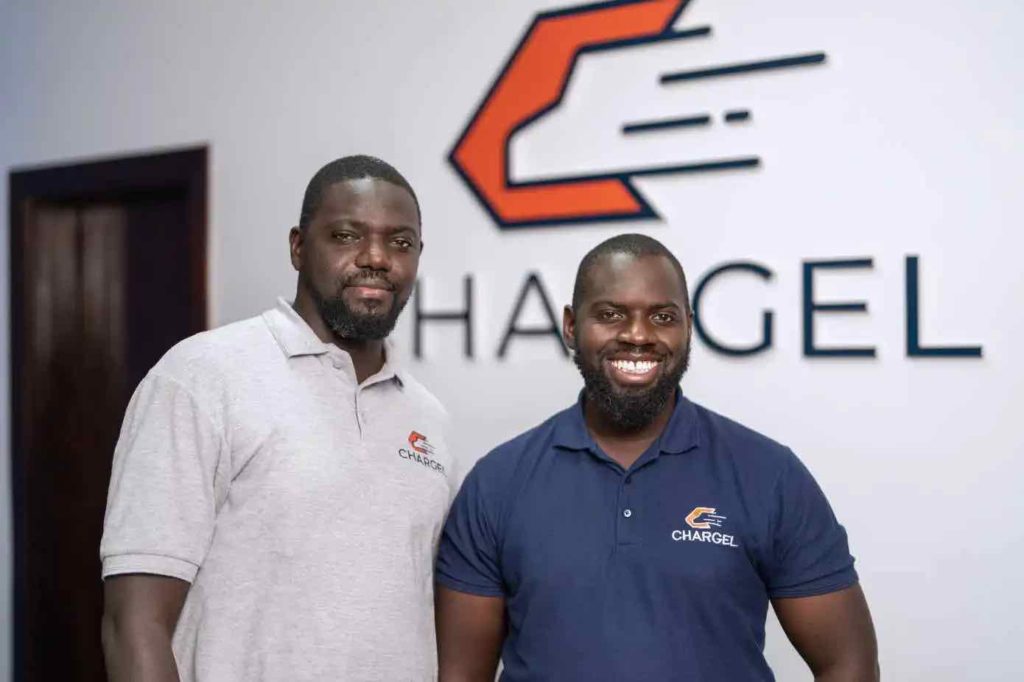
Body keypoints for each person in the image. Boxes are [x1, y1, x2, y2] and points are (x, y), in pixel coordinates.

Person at [435, 234, 879, 681]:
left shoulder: (769, 474)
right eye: (610, 315)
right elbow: (461, 676)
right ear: (571, 326)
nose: (638, 335)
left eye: (663, 317)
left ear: (688, 327)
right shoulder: (498, 482)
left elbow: (848, 665)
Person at [101, 155, 454, 681]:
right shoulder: (201, 376)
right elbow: (134, 622)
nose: (376, 258)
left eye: (400, 242)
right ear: (298, 247)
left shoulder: (428, 417)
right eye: (346, 236)